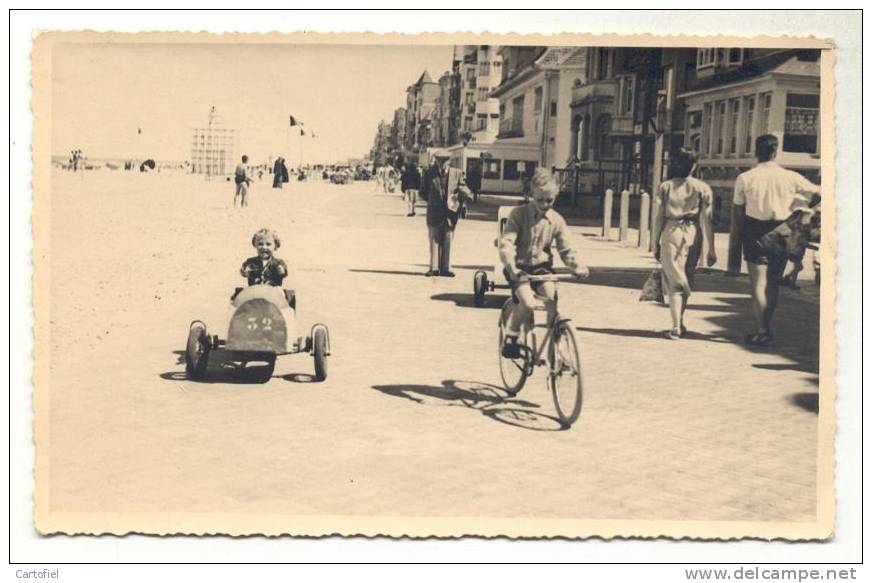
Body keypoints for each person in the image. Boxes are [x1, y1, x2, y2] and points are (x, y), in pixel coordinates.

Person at [730, 134, 820, 347]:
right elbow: (819, 191)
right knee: (772, 285)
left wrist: (738, 239)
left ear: (755, 151)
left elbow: (737, 213)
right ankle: (765, 328)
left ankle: (762, 330)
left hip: (755, 232)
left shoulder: (745, 178)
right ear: (775, 151)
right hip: (781, 231)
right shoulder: (790, 177)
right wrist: (804, 212)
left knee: (758, 285)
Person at [498, 168, 589, 357]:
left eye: (550, 200)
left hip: (541, 268)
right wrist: (512, 267)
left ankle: (555, 349)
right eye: (540, 200)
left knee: (551, 299)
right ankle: (512, 335)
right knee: (528, 302)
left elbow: (567, 248)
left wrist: (577, 265)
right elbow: (506, 243)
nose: (545, 204)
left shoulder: (556, 220)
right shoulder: (518, 214)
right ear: (531, 195)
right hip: (519, 268)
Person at [650, 148, 717, 340]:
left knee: (674, 282)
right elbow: (707, 219)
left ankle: (675, 327)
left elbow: (659, 217)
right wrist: (710, 248)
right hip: (693, 233)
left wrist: (654, 242)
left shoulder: (665, 187)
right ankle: (679, 320)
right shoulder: (703, 188)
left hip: (672, 232)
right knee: (686, 277)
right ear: (694, 165)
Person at [421, 152, 472, 277]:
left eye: (444, 162)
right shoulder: (429, 173)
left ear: (449, 162)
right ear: (436, 161)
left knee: (448, 240)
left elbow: (465, 189)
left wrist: (462, 195)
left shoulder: (457, 173)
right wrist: (433, 201)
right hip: (434, 211)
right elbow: (423, 192)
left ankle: (446, 268)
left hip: (450, 213)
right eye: (439, 161)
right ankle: (433, 268)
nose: (441, 164)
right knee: (434, 239)